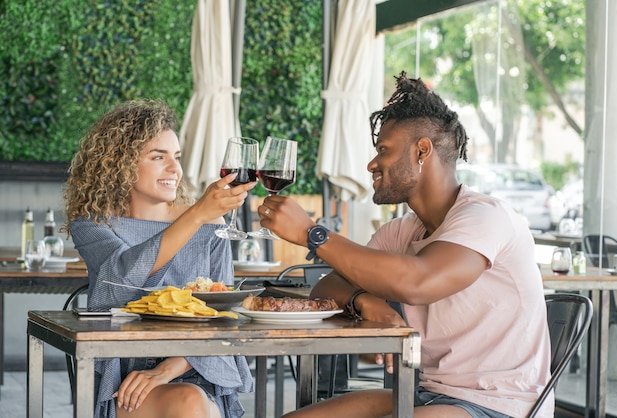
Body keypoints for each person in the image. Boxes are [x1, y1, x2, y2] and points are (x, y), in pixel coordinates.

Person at [257, 72, 553, 418]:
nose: (371, 164)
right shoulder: (401, 232)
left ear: (422, 151)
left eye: (383, 150)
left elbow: (418, 282)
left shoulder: (486, 217)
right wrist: (364, 300)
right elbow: (328, 284)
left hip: (499, 405)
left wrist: (313, 234)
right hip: (428, 394)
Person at [60, 99, 256, 418]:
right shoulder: (93, 224)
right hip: (124, 374)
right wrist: (196, 215)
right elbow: (121, 281)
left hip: (195, 367)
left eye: (176, 157)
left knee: (191, 402)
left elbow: (225, 315)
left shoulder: (210, 225)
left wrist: (166, 371)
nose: (174, 170)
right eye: (158, 157)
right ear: (120, 162)